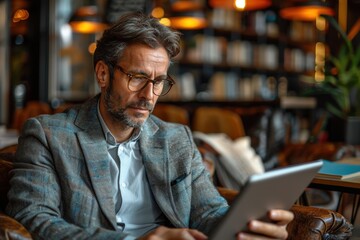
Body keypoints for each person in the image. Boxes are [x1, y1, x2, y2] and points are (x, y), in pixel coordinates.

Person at [6, 12, 293, 240]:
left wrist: (249, 225)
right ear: (103, 74)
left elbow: (208, 212)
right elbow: (33, 220)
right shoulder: (48, 135)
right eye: (137, 78)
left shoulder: (176, 138)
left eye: (159, 82)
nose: (148, 96)